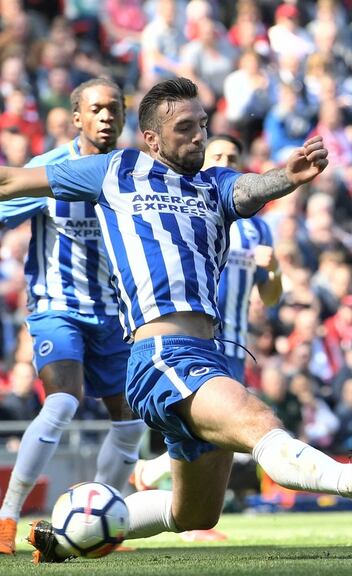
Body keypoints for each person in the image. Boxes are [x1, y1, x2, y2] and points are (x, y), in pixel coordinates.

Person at [0, 77, 352, 563]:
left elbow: (252, 187)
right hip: (161, 356)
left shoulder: (214, 185)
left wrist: (286, 176)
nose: (199, 137)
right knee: (258, 420)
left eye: (203, 125)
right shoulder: (119, 171)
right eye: (185, 128)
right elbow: (6, 183)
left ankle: (66, 538)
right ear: (152, 138)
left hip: (203, 355)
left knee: (195, 513)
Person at [0, 78, 146, 556]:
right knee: (62, 402)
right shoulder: (48, 171)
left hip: (115, 316)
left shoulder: (135, 173)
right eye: (96, 109)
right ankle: (6, 518)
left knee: (131, 424)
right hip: (57, 307)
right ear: (76, 117)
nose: (106, 117)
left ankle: (98, 520)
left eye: (114, 109)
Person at [130, 134, 283, 542]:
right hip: (193, 339)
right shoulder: (185, 209)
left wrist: (274, 270)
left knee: (225, 437)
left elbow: (269, 297)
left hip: (234, 342)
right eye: (218, 155)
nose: (225, 161)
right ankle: (183, 513)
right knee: (222, 431)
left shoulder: (258, 227)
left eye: (233, 156)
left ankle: (157, 477)